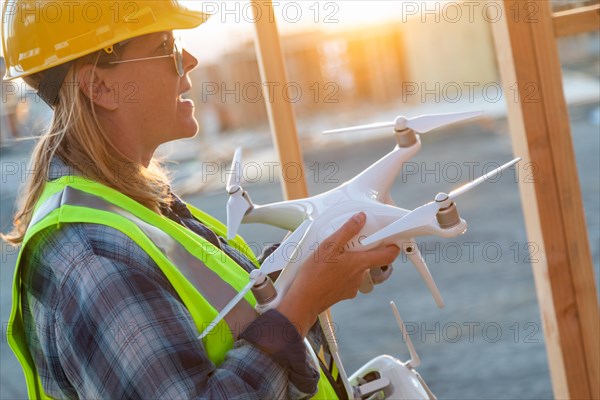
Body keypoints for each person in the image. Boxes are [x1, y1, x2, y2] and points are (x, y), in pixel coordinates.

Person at [1, 1, 399, 399]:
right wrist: (300, 307)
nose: (189, 60)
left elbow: (223, 321)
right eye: (167, 46)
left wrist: (308, 265)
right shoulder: (92, 254)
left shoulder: (129, 206)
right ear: (100, 86)